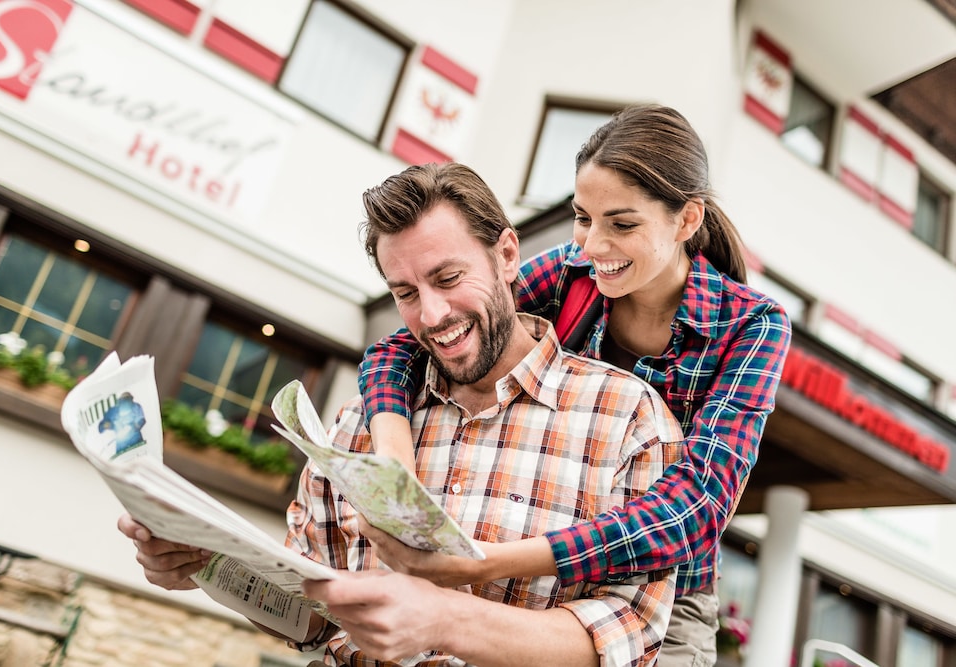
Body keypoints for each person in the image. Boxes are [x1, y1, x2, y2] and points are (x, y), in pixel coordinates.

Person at [120, 161, 686, 666]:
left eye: (447, 278)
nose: (432, 314)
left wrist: (445, 621)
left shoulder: (628, 420)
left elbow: (629, 638)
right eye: (405, 293)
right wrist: (210, 565)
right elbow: (312, 616)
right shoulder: (355, 426)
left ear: (507, 255)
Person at [358, 104, 793, 666]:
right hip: (551, 585)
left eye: (622, 224)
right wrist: (394, 463)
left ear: (687, 221)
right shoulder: (571, 272)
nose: (593, 245)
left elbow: (697, 508)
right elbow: (401, 346)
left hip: (667, 591)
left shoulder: (751, 325)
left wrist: (488, 561)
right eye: (583, 217)